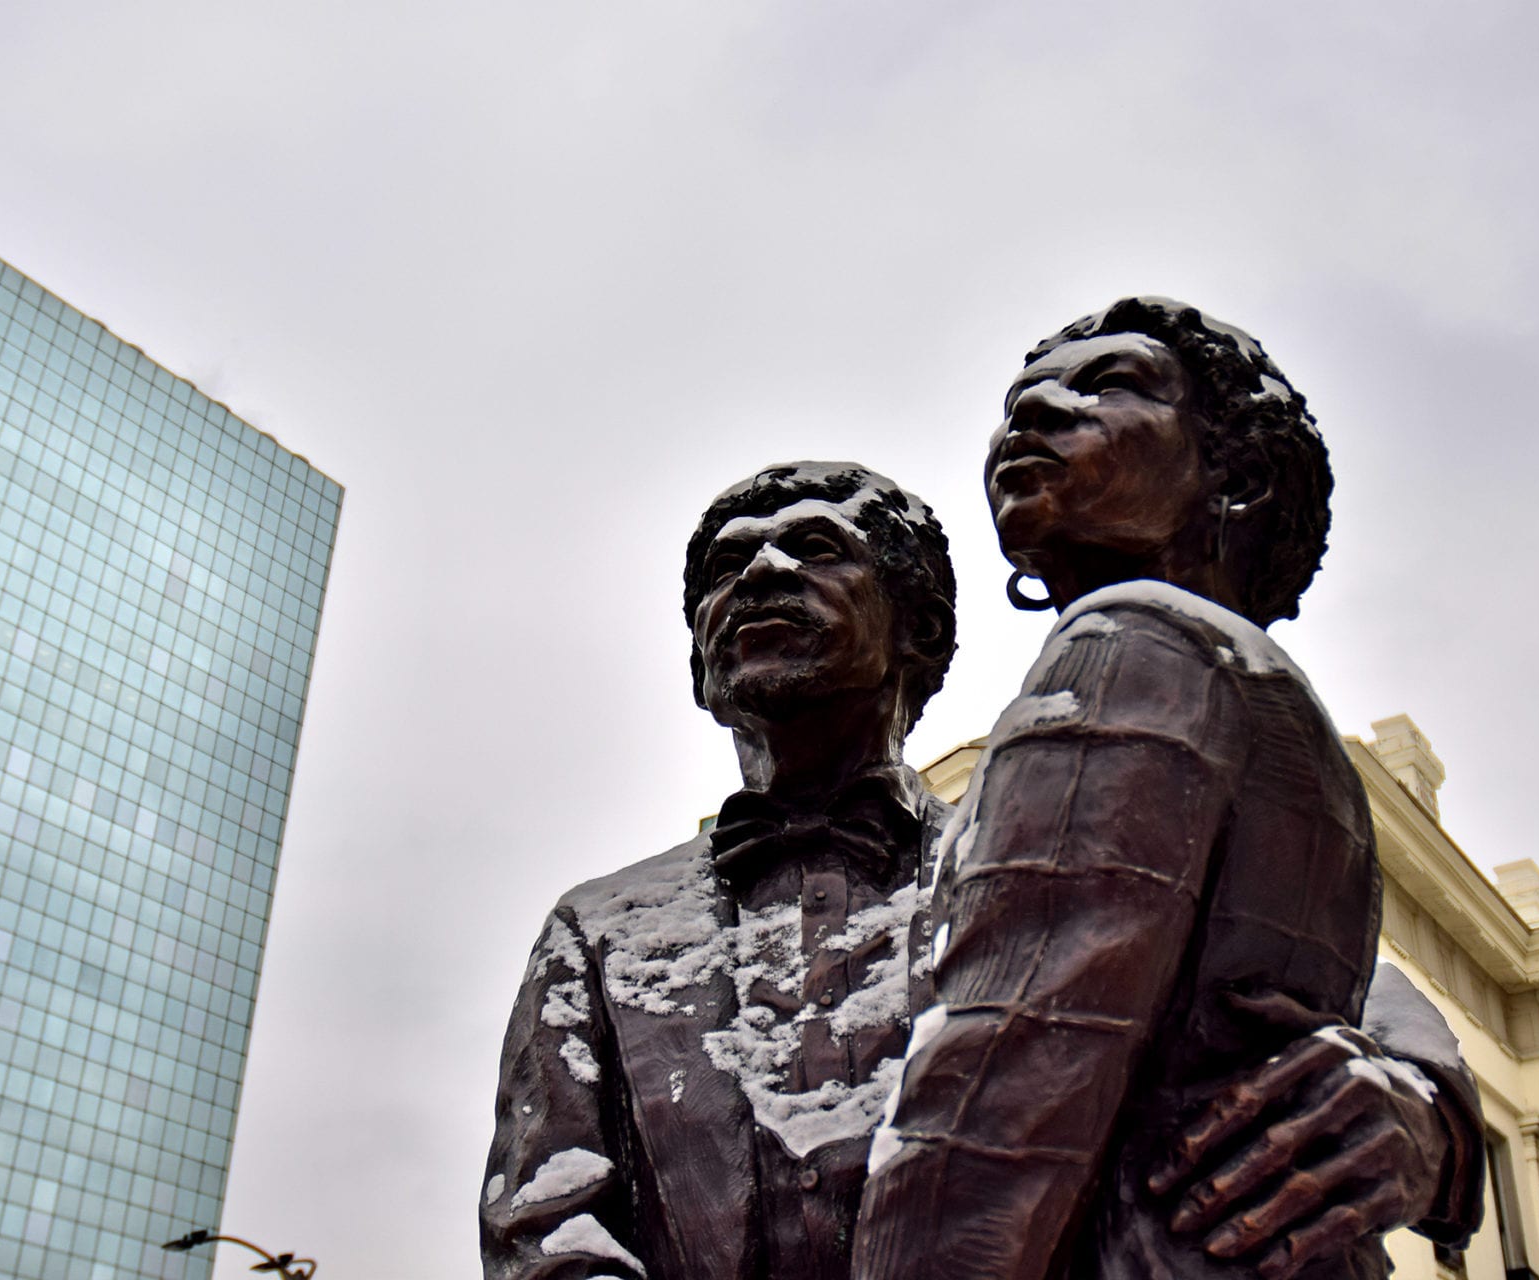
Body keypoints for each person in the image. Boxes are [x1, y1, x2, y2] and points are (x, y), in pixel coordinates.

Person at [483, 460, 1475, 1280]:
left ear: (919, 628)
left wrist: (1427, 1112)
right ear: (702, 665)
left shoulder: (1060, 846)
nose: (762, 573)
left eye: (816, 547)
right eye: (728, 566)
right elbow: (549, 1232)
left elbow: (1325, 976)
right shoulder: (600, 927)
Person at [856, 299, 1480, 1280]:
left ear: (1234, 474)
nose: (1032, 416)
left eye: (1106, 386)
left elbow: (1001, 1096)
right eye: (1019, 401)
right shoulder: (1270, 699)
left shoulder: (1131, 643)